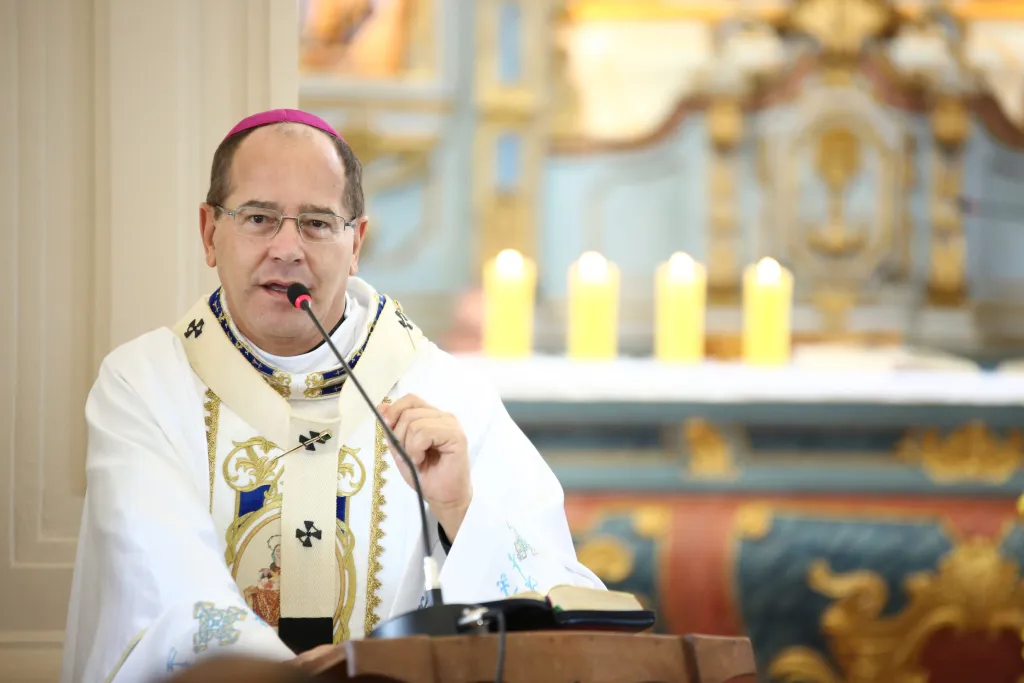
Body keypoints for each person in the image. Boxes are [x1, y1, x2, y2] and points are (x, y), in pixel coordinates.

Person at [60, 109, 603, 683]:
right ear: (208, 233)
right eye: (259, 217)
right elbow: (170, 587)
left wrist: (459, 511)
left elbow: (564, 605)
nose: (288, 248)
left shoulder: (444, 392)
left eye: (318, 223)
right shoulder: (145, 385)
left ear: (356, 242)